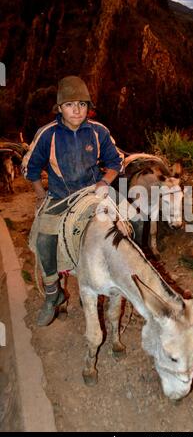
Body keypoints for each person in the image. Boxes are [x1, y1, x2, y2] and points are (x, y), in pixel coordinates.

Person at [22, 76, 122, 326]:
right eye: (69, 105)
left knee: (126, 224)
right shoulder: (47, 134)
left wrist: (104, 182)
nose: (76, 110)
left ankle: (124, 279)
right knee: (45, 237)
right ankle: (52, 292)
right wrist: (40, 194)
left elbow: (115, 162)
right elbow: (30, 168)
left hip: (92, 194)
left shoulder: (99, 132)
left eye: (81, 104)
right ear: (59, 108)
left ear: (89, 107)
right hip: (61, 197)